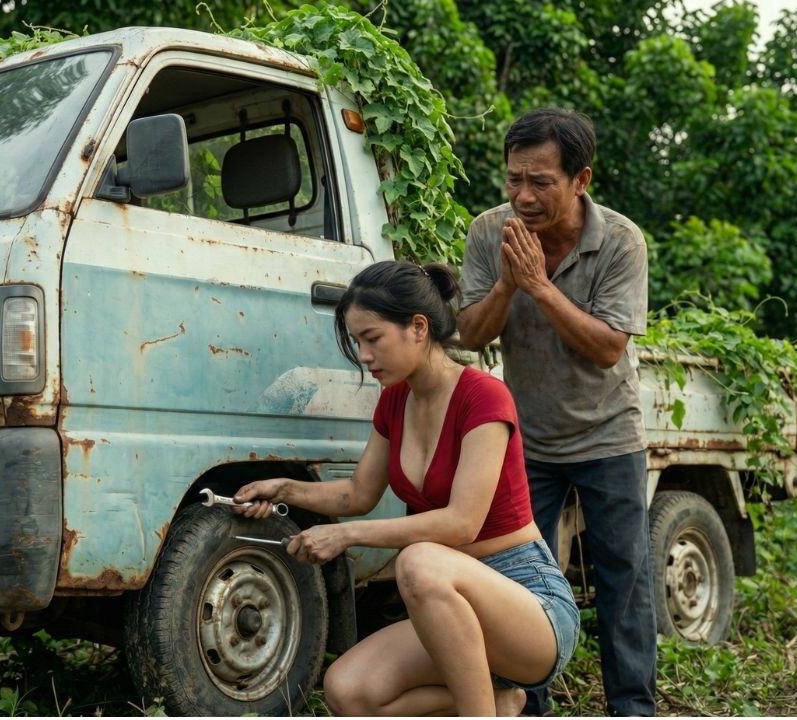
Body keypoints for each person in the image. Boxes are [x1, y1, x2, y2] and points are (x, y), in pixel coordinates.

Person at [233, 260, 579, 716]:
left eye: (372, 338)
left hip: (528, 601)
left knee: (419, 559)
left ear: (418, 327)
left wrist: (346, 535)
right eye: (358, 342)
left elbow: (461, 523)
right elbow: (358, 494)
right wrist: (282, 490)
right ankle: (499, 701)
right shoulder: (395, 400)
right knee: (347, 691)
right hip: (447, 604)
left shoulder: (484, 398)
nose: (364, 355)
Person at [456, 107, 656, 716]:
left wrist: (540, 286)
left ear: (581, 180)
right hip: (528, 441)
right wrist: (508, 284)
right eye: (514, 179)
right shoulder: (491, 232)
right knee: (519, 581)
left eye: (540, 182)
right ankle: (526, 701)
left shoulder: (620, 241)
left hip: (609, 435)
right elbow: (467, 335)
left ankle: (632, 708)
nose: (523, 196)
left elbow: (607, 349)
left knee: (623, 580)